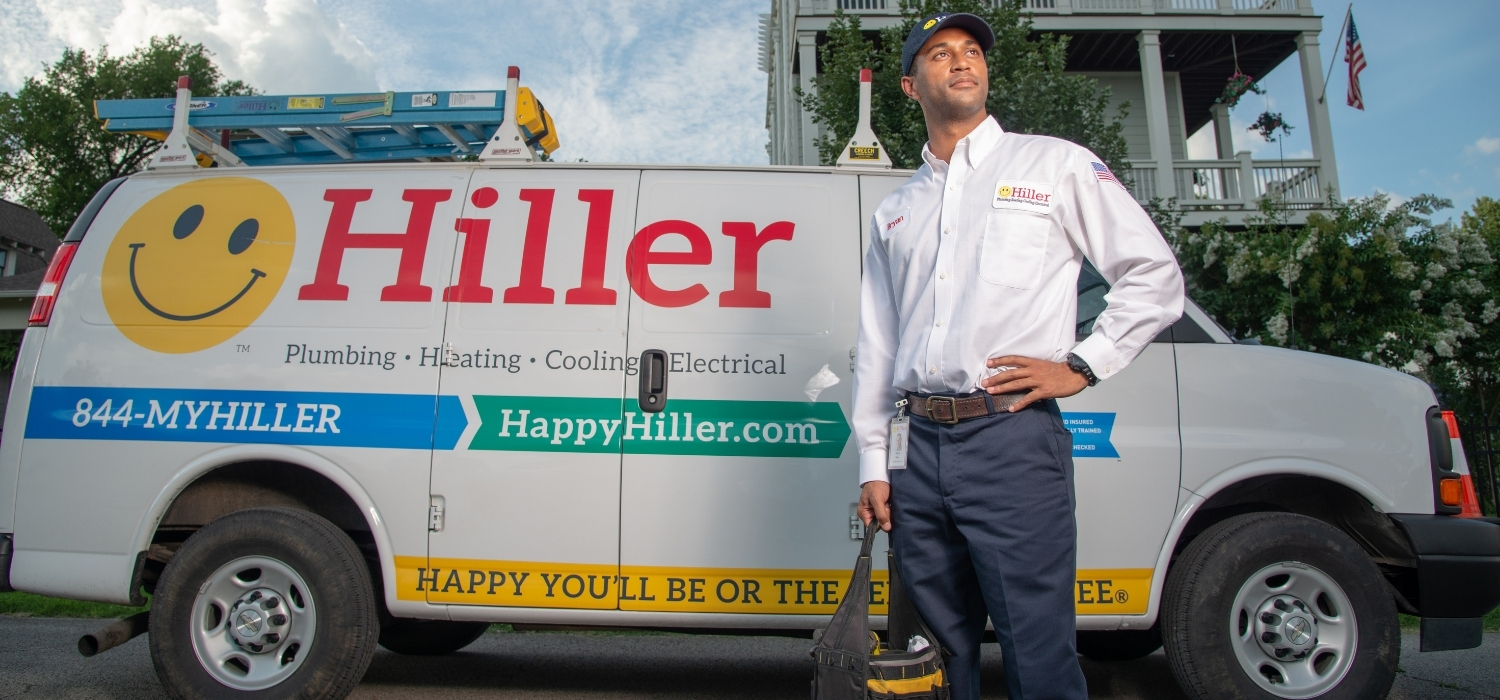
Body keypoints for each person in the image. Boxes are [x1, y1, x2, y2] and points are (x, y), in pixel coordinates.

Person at [852, 12, 1185, 700]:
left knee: (1037, 651)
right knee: (933, 665)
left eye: (971, 51)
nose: (962, 61)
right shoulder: (896, 211)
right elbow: (878, 347)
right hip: (917, 453)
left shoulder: (1053, 164)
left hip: (1011, 440)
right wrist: (874, 464)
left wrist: (1084, 363)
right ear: (912, 86)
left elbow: (1155, 275)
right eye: (940, 54)